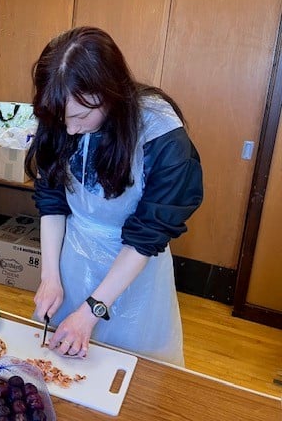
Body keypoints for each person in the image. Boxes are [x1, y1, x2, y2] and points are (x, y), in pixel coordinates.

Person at [25, 26, 203, 366]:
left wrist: (92, 310)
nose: (71, 130)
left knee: (129, 375)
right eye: (62, 119)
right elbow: (52, 199)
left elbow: (149, 232)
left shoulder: (161, 135)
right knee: (62, 365)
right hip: (74, 257)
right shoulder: (62, 115)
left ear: (110, 93)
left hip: (134, 269)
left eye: (80, 116)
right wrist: (50, 276)